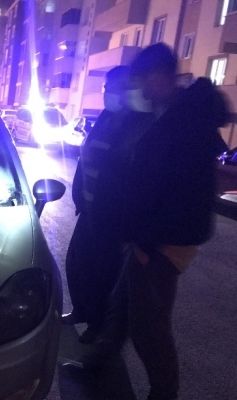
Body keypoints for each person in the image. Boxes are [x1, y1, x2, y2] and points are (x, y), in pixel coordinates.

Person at [96, 43, 229, 400]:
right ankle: (101, 364)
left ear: (158, 77)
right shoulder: (171, 115)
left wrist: (145, 242)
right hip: (151, 237)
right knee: (122, 306)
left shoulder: (185, 123)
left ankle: (163, 394)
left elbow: (179, 192)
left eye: (141, 81)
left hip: (163, 242)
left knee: (149, 327)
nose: (139, 90)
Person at [64, 66, 153, 343]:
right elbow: (88, 154)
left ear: (125, 90)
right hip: (90, 209)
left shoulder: (135, 124)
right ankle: (82, 310)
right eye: (105, 87)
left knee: (101, 272)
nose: (106, 92)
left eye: (111, 87)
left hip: (110, 214)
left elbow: (129, 171)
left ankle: (98, 326)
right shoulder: (107, 117)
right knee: (76, 263)